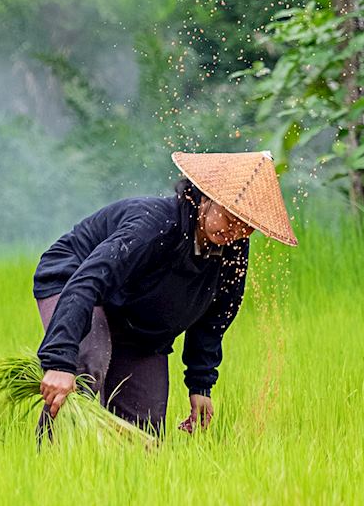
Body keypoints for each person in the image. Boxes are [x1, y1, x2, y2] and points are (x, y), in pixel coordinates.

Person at [32, 151, 297, 436]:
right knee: (87, 364)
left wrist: (200, 384)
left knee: (144, 433)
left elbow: (214, 316)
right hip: (74, 278)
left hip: (137, 319)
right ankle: (50, 457)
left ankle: (112, 478)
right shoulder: (155, 225)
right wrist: (60, 362)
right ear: (204, 197)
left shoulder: (232, 251)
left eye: (247, 225)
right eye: (230, 215)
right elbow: (87, 280)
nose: (235, 230)